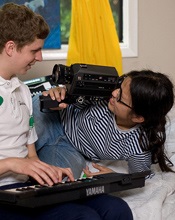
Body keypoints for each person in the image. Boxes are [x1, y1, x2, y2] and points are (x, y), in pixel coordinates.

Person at [0, 2, 133, 220]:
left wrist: (49, 171)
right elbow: (21, 162)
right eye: (35, 50)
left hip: (26, 189)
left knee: (116, 208)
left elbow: (31, 155)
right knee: (82, 217)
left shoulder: (22, 91)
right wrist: (12, 163)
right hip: (4, 195)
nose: (40, 58)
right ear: (11, 48)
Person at [33, 69, 174, 179]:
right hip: (55, 117)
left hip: (70, 149)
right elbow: (69, 95)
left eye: (120, 97)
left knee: (63, 178)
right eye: (119, 87)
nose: (113, 93)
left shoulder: (137, 146)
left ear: (138, 117)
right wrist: (60, 93)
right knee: (31, 121)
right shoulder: (104, 95)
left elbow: (141, 178)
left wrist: (115, 176)